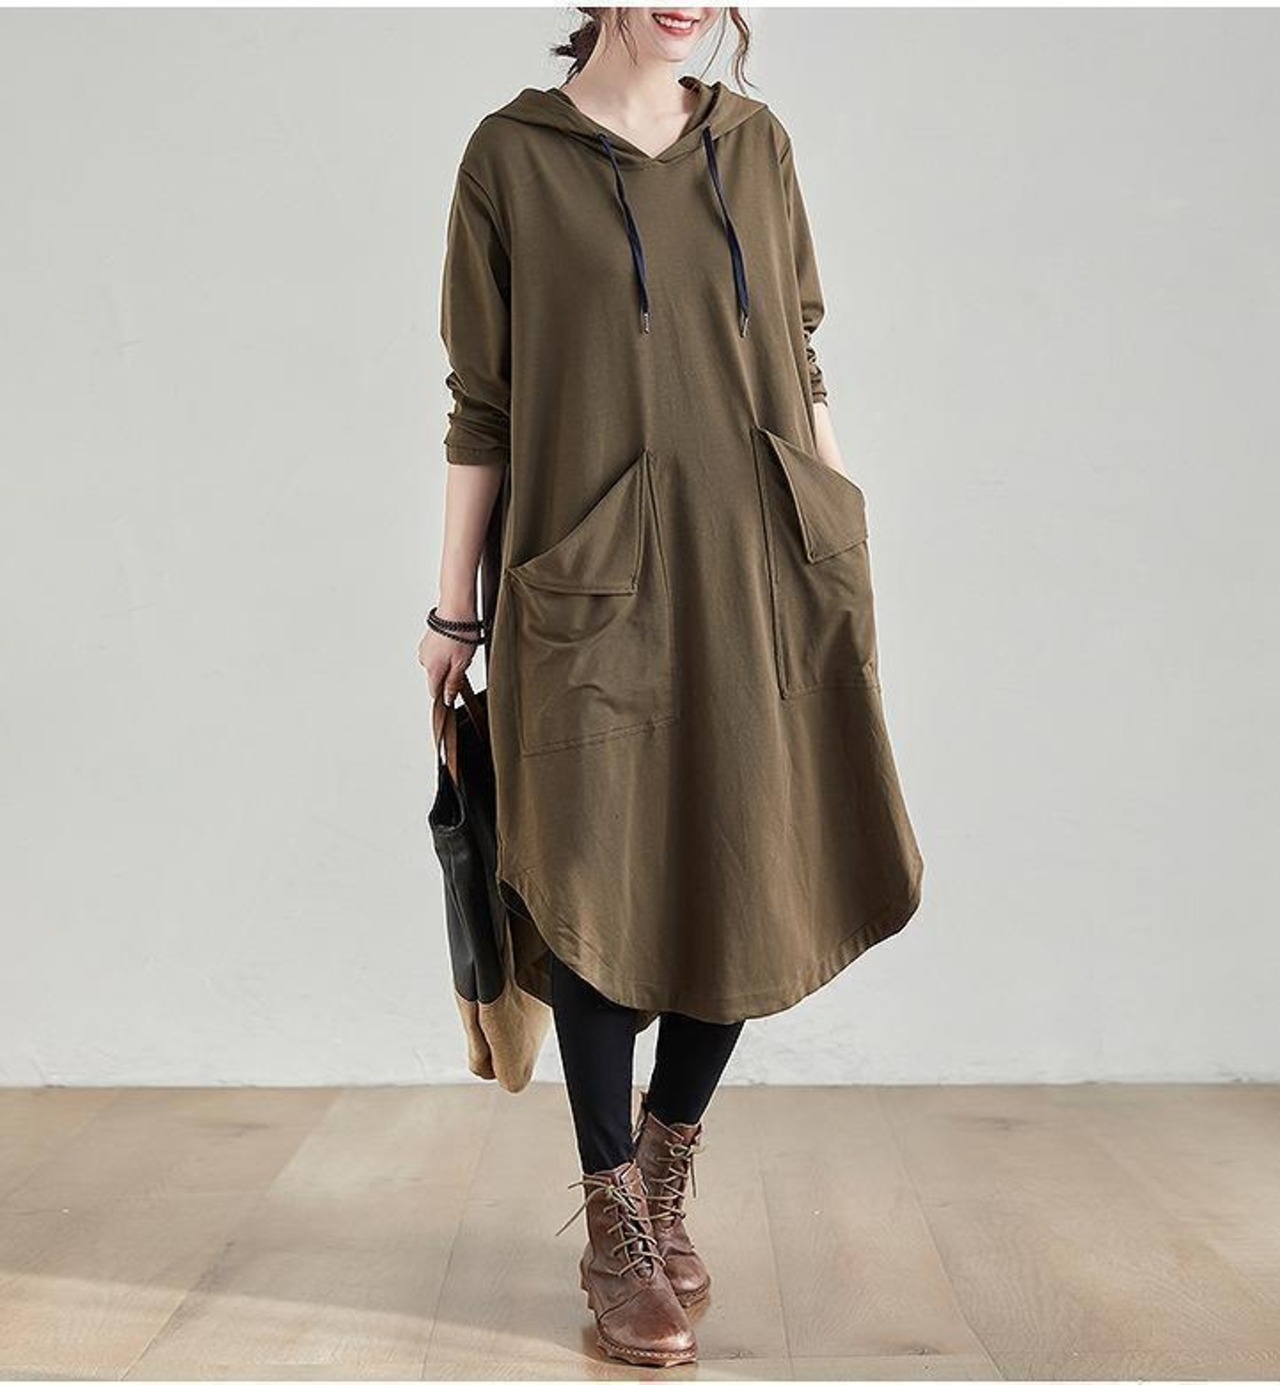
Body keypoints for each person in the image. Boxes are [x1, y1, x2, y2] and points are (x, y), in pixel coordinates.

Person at [418, 6, 925, 1368]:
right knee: (595, 875)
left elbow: (797, 354)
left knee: (750, 863)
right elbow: (482, 401)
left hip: (762, 561)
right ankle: (610, 1222)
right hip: (587, 577)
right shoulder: (510, 158)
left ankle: (662, 1167)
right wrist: (454, 604)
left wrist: (839, 535)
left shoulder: (757, 145)